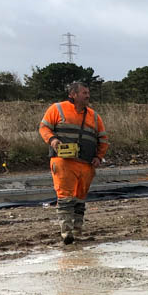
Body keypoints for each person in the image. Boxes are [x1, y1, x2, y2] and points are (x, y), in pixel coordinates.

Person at [38, 81, 108, 244]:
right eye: (84, 93)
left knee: (80, 199)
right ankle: (66, 232)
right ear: (73, 94)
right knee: (65, 197)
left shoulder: (94, 116)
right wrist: (53, 140)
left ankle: (77, 230)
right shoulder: (57, 109)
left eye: (88, 93)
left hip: (86, 164)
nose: (88, 96)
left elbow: (103, 139)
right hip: (63, 162)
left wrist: (99, 157)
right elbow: (44, 128)